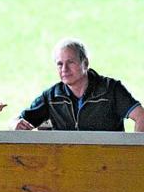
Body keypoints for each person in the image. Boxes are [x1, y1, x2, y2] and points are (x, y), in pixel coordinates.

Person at [15, 38, 143, 132]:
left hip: (108, 163)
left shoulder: (111, 89)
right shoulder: (51, 96)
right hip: (65, 165)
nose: (64, 69)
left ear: (85, 63)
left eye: (70, 62)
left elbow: (141, 117)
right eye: (60, 64)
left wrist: (135, 156)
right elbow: (19, 121)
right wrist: (15, 124)